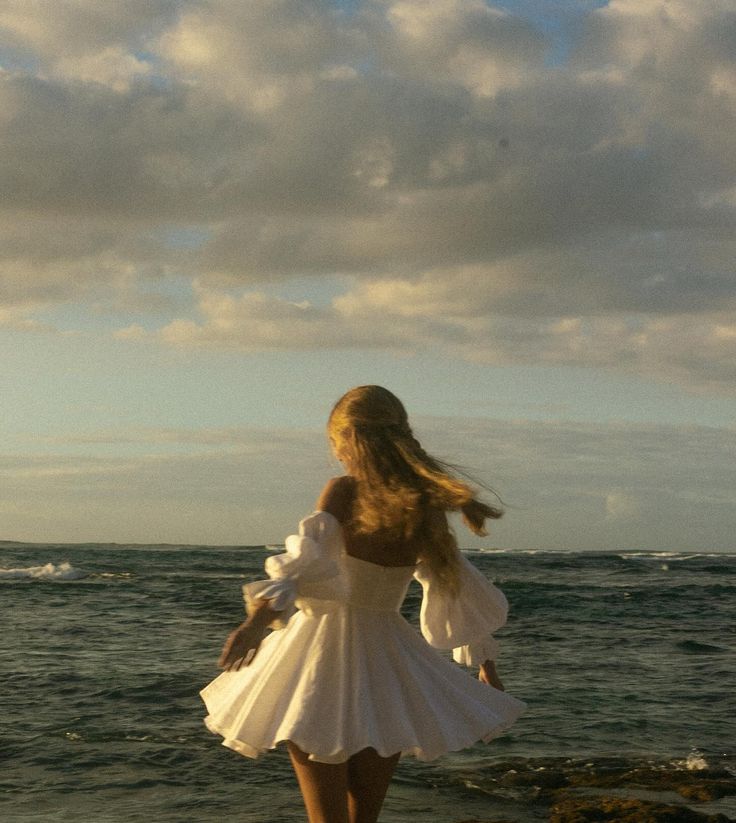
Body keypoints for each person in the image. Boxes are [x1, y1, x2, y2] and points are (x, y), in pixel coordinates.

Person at [201, 385, 526, 823]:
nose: (336, 455)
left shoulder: (341, 491)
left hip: (318, 659)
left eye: (336, 443)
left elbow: (301, 562)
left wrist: (257, 622)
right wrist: (485, 665)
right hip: (388, 662)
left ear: (351, 438)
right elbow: (452, 585)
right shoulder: (424, 506)